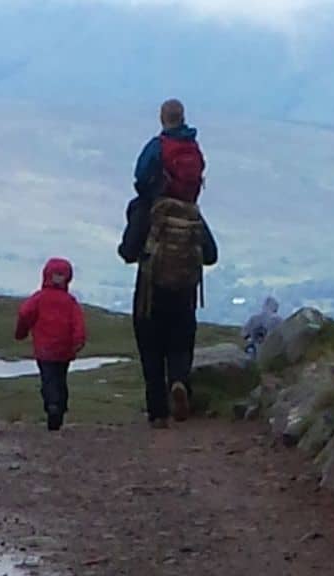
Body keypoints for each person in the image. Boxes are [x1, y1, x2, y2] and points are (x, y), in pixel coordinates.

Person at [119, 99, 218, 428]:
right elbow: (212, 255)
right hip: (185, 287)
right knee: (180, 339)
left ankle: (158, 412)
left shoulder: (145, 207)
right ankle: (178, 380)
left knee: (150, 345)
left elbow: (128, 251)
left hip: (150, 287)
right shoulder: (193, 215)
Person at [14, 258, 87, 431]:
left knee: (48, 378)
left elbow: (24, 314)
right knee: (60, 378)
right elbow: (79, 324)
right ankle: (59, 407)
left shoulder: (39, 298)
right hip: (64, 350)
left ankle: (52, 405)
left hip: (44, 349)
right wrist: (78, 342)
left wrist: (21, 333)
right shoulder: (70, 302)